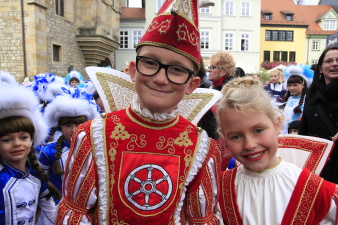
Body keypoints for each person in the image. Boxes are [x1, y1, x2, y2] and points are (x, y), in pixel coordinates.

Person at [55, 0, 222, 224]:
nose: (161, 78)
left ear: (192, 85)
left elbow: (200, 219)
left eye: (176, 69)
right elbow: (75, 212)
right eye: (150, 63)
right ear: (133, 70)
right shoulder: (93, 136)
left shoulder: (201, 147)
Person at [216, 77, 337, 224]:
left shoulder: (318, 191)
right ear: (224, 137)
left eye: (258, 130)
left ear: (277, 125)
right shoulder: (219, 188)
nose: (249, 145)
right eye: (236, 136)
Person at [0, 81, 60, 225]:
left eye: (23, 137)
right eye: (7, 140)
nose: (17, 144)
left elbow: (52, 213)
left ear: (32, 140)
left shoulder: (35, 177)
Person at [38, 91, 99, 197]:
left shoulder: (98, 148)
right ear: (60, 127)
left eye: (79, 124)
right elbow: (42, 183)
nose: (74, 130)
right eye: (68, 125)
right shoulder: (48, 151)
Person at [299, 46, 338, 184]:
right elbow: (305, 128)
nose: (334, 63)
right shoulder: (313, 94)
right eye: (329, 61)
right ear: (321, 68)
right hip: (319, 163)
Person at [279, 65, 313, 134]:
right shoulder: (289, 99)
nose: (292, 88)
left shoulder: (308, 99)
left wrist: (293, 122)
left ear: (303, 85)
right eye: (290, 85)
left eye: (295, 85)